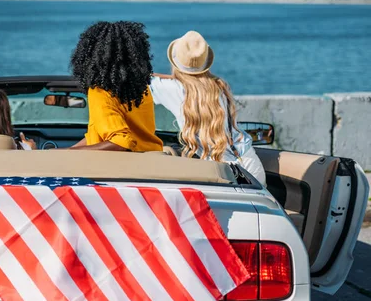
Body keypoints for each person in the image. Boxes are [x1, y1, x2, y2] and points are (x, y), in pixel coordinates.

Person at [150, 30, 266, 185]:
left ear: (175, 61)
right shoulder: (218, 86)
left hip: (223, 172)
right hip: (250, 164)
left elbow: (135, 81)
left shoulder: (172, 88)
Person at [69, 21, 163, 152]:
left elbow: (121, 141)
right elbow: (98, 137)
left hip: (117, 169)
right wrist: (66, 151)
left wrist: (62, 154)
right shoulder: (141, 89)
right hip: (151, 160)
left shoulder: (100, 92)